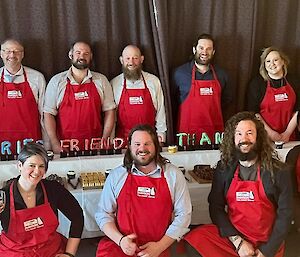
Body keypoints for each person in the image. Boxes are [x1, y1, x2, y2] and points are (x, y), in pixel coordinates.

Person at [184, 111, 293, 257]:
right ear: (232, 139)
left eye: (249, 133)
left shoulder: (279, 171)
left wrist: (267, 250)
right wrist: (238, 241)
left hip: (267, 241)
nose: (244, 139)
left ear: (258, 138)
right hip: (235, 237)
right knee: (195, 239)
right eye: (239, 134)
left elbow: (286, 215)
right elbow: (215, 207)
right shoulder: (224, 169)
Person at [95, 124, 191, 257]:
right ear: (129, 147)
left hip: (159, 247)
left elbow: (184, 215)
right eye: (137, 144)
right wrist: (121, 240)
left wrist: (160, 246)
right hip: (121, 247)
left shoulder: (173, 175)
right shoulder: (117, 175)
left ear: (156, 146)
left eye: (147, 144)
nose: (142, 148)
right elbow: (103, 214)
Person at [0, 142, 84, 256]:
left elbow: (77, 215)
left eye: (41, 166)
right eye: (31, 165)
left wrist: (69, 254)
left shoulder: (53, 189)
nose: (36, 171)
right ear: (20, 166)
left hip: (50, 250)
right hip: (14, 252)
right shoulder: (3, 196)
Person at [44, 41, 116, 153]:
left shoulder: (101, 80)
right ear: (70, 55)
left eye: (86, 53)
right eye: (78, 52)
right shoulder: (57, 81)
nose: (82, 56)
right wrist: (54, 143)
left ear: (91, 56)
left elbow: (110, 111)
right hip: (64, 147)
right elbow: (48, 114)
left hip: (95, 147)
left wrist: (104, 139)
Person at [173, 33, 231, 145]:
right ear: (194, 49)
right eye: (201, 48)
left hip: (215, 135)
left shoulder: (222, 75)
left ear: (213, 52)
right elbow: (173, 99)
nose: (205, 52)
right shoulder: (179, 73)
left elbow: (226, 100)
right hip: (187, 135)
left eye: (209, 49)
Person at [110, 45, 167, 145]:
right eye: (127, 58)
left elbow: (161, 113)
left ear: (141, 59)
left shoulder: (153, 81)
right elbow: (111, 118)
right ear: (121, 60)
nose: (131, 62)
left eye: (135, 58)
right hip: (123, 142)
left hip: (149, 142)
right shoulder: (114, 84)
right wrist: (111, 141)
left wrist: (161, 137)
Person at [0, 39, 48, 154]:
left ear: (22, 55)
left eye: (16, 51)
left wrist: (48, 144)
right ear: (1, 54)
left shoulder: (37, 78)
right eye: (7, 51)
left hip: (31, 140)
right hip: (2, 142)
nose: (12, 55)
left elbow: (44, 114)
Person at [247, 46, 300, 142]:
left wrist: (287, 133)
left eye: (276, 60)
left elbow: (298, 110)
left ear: (283, 61)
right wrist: (271, 134)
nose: (272, 64)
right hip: (264, 137)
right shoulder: (257, 83)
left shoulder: (294, 81)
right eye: (268, 61)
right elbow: (254, 113)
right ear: (264, 64)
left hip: (290, 137)